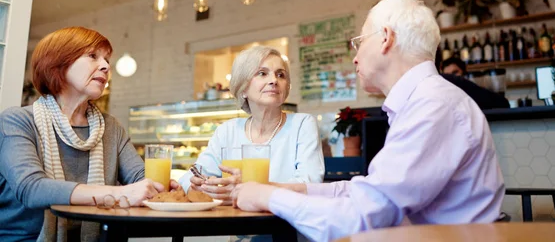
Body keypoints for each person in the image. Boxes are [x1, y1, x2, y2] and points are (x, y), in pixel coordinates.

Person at [231, 0, 505, 242]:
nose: (355, 58)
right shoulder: (425, 101)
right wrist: (296, 190)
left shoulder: (433, 106)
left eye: (360, 42)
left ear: (386, 37)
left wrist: (268, 196)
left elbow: (360, 218)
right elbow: (370, 192)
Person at [0, 27, 166, 242]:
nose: (106, 66)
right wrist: (117, 194)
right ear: (58, 63)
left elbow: (140, 179)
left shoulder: (111, 127)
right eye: (92, 56)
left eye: (107, 60)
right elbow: (32, 189)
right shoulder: (17, 121)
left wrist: (169, 186)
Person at [178, 46, 324, 203]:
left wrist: (249, 188)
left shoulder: (302, 125)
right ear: (243, 88)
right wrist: (198, 186)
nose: (274, 80)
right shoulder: (228, 131)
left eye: (280, 75)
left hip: (282, 223)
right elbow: (191, 176)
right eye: (262, 73)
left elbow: (310, 184)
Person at [436, 49, 510, 109]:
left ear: (464, 73)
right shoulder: (443, 99)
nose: (452, 79)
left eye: (455, 73)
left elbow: (502, 103)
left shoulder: (475, 91)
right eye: (448, 76)